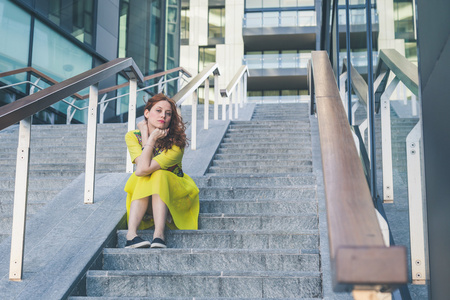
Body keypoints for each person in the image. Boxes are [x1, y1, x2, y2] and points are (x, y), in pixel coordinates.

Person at [123, 93, 199, 248]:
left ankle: (159, 235)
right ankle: (131, 235)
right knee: (142, 176)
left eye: (168, 113)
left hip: (174, 198)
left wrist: (149, 138)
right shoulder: (132, 136)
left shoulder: (176, 143)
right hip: (148, 197)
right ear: (146, 113)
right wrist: (148, 137)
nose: (163, 115)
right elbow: (142, 168)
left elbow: (143, 168)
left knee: (158, 174)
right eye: (158, 110)